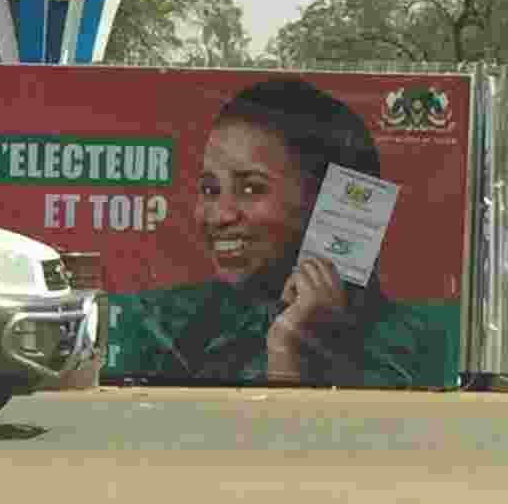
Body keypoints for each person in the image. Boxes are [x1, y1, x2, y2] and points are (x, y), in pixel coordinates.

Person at [131, 77, 445, 387]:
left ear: (330, 202)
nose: (219, 216)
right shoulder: (166, 321)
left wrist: (290, 352)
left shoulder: (410, 347)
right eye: (210, 189)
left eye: (252, 188)